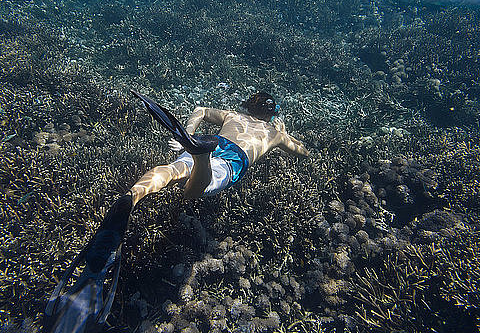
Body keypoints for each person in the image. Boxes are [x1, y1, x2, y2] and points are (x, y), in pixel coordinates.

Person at [43, 91, 309, 332]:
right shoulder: (275, 134)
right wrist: (283, 132)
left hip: (214, 139)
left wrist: (186, 135)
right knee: (194, 191)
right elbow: (303, 153)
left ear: (248, 107)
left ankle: (133, 195)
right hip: (234, 158)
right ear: (271, 114)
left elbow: (201, 109)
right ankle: (200, 156)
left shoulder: (232, 115)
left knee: (171, 171)